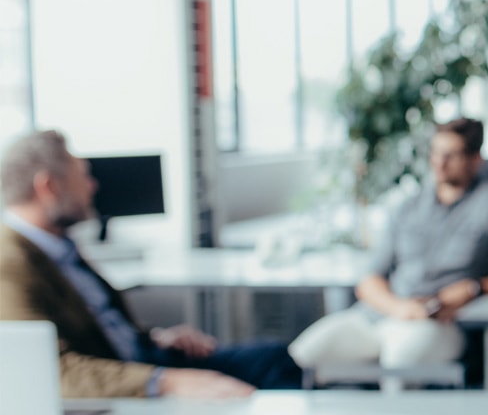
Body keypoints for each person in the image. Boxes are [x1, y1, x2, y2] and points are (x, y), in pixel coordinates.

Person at [0, 130, 301, 398]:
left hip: (144, 358)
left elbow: (98, 323)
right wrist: (168, 382)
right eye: (83, 176)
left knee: (273, 358)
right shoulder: (10, 263)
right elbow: (47, 371)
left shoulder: (57, 246)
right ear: (49, 187)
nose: (93, 187)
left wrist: (155, 337)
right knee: (263, 372)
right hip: (124, 381)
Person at [288, 117, 488, 374]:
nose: (440, 163)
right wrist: (400, 308)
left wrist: (474, 288)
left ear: (475, 160)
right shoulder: (408, 206)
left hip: (439, 322)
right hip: (383, 313)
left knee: (400, 361)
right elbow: (368, 280)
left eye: (451, 156)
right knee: (303, 354)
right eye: (436, 153)